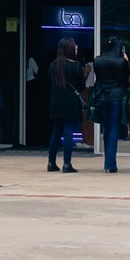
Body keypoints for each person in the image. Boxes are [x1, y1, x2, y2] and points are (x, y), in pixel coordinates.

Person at [90, 40, 130, 172]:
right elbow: (127, 78)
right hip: (116, 96)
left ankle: (109, 161)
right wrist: (127, 61)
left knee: (107, 129)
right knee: (114, 129)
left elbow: (98, 78)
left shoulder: (98, 60)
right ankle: (109, 163)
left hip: (101, 96)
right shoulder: (120, 62)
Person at [45, 38, 84, 173]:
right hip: (70, 102)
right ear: (70, 49)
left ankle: (51, 162)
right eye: (75, 46)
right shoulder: (76, 66)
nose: (77, 47)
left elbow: (50, 82)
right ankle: (67, 164)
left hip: (55, 102)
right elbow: (82, 86)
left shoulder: (53, 65)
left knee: (56, 132)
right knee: (68, 132)